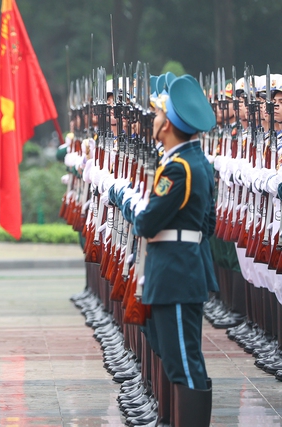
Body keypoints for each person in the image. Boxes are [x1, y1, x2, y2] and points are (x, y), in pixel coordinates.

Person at [107, 75, 218, 427]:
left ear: (167, 124)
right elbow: (207, 223)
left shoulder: (179, 167)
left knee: (183, 361)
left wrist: (128, 201)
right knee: (175, 356)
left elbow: (146, 224)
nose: (152, 121)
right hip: (174, 270)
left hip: (176, 274)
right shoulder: (193, 161)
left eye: (156, 115)